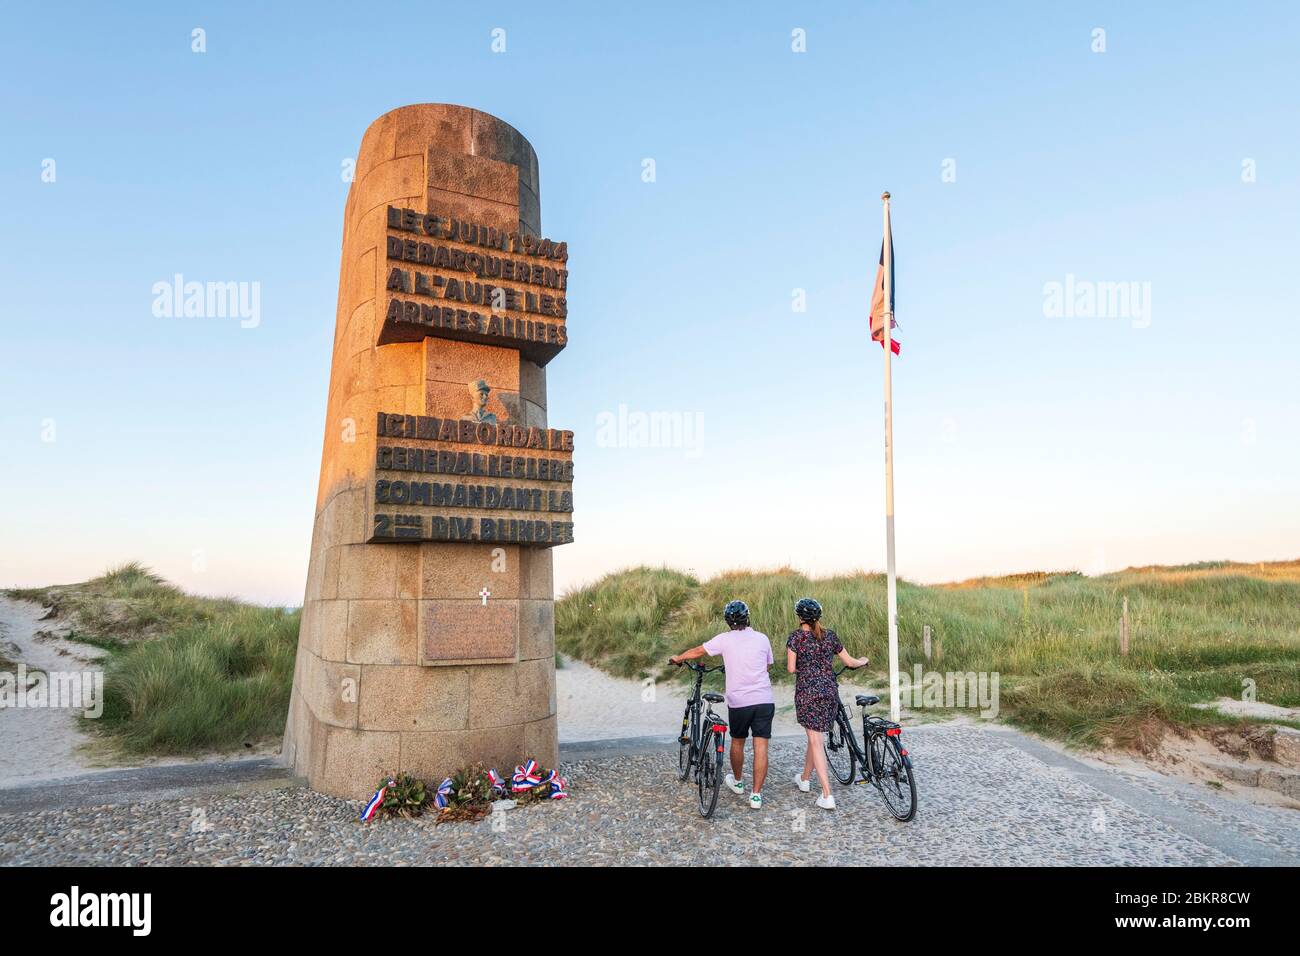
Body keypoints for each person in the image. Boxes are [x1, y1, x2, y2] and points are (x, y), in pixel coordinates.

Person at [669, 600, 774, 809]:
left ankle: (737, 782)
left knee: (737, 741)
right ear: (748, 617)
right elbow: (768, 665)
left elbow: (699, 650)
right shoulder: (762, 638)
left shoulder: (724, 640)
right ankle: (755, 796)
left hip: (740, 702)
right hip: (764, 699)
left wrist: (678, 658)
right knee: (761, 745)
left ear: (728, 622)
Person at [786, 597, 868, 810]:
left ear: (800, 617)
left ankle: (827, 795)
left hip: (807, 694)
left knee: (815, 741)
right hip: (830, 692)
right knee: (816, 739)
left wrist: (807, 669)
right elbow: (849, 662)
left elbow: (790, 668)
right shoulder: (829, 635)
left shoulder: (795, 638)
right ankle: (804, 779)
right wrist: (862, 661)